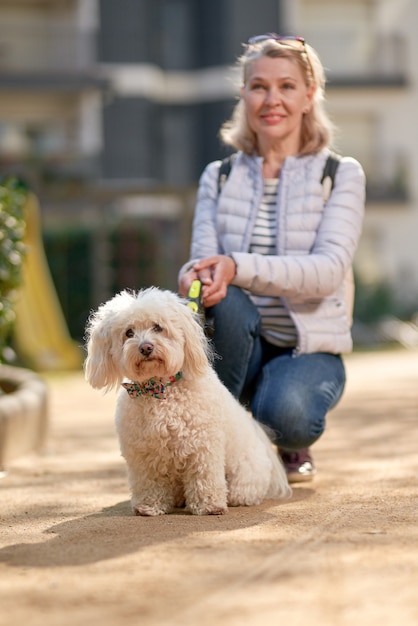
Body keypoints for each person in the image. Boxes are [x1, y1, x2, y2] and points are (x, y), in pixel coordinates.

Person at [178, 33, 366, 482]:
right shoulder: (218, 176)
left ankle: (274, 437)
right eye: (259, 86)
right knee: (221, 299)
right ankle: (214, 448)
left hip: (309, 350)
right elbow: (203, 263)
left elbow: (326, 273)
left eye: (286, 86)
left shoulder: (339, 174)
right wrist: (193, 276)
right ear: (243, 95)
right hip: (237, 343)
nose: (271, 99)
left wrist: (237, 266)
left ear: (310, 94)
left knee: (288, 418)